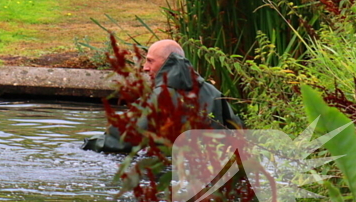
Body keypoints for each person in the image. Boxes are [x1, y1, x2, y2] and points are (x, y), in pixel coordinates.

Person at [82, 39, 242, 154]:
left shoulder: (159, 96)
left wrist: (90, 144)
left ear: (167, 63)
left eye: (150, 61)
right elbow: (237, 132)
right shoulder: (213, 93)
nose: (145, 68)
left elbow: (124, 136)